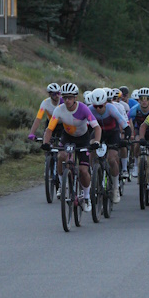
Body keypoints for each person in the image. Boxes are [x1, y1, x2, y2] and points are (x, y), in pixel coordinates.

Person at [41, 82, 102, 213]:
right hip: (67, 137)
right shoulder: (59, 109)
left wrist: (96, 141)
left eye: (70, 97)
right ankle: (63, 185)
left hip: (83, 138)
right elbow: (49, 129)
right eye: (65, 97)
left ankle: (86, 197)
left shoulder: (83, 109)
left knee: (84, 170)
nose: (67, 100)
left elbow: (96, 127)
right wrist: (46, 143)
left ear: (75, 98)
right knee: (61, 156)